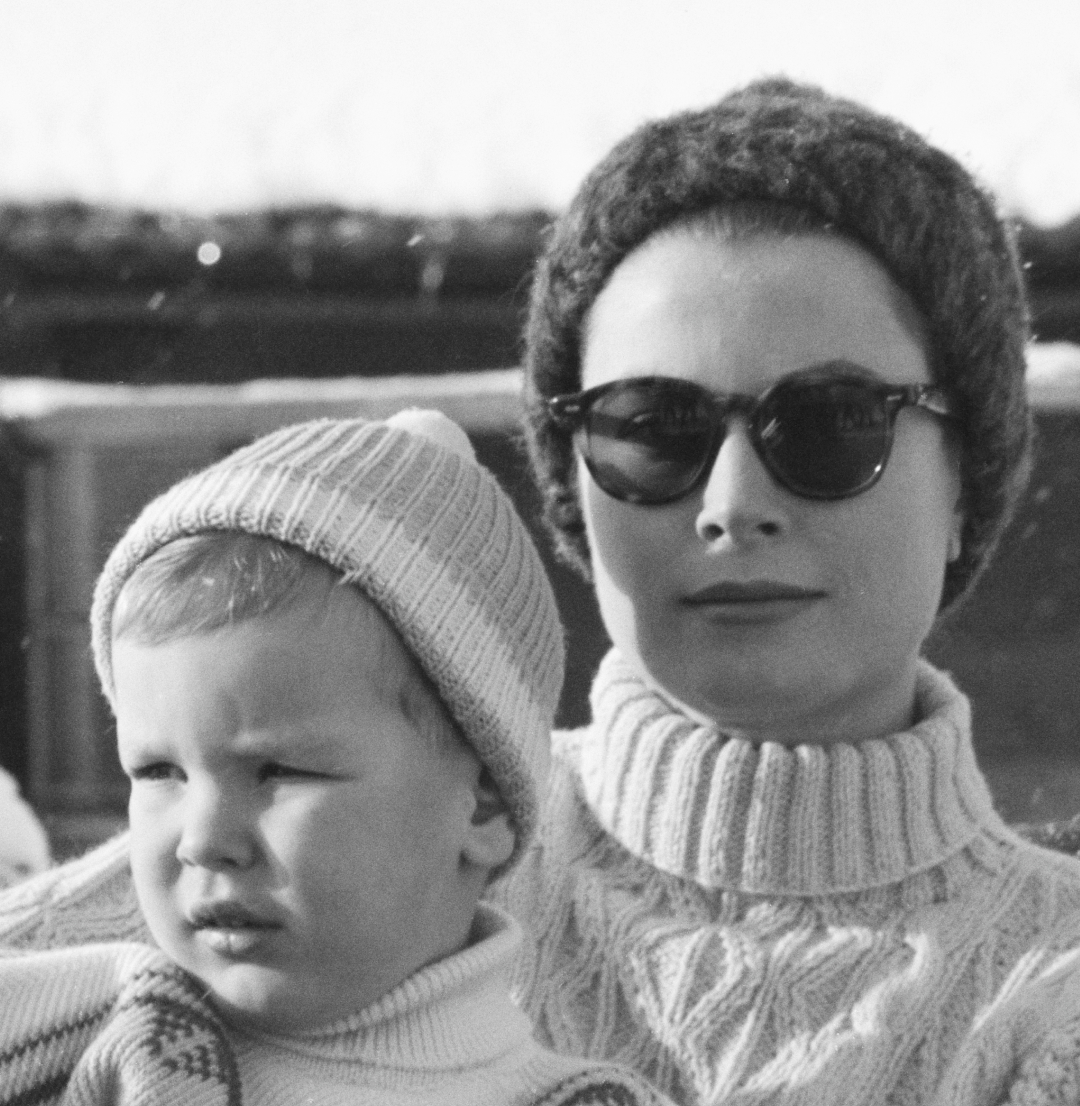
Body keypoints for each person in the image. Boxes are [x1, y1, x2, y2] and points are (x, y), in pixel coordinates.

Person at [490, 76, 1080, 1105]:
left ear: (963, 483)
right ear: (575, 494)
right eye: (650, 427)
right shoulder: (374, 865)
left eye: (830, 422)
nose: (731, 502)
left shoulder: (1055, 995)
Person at [0, 410, 665, 1106]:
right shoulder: (82, 1035)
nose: (204, 841)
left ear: (486, 800)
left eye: (277, 771)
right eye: (159, 772)